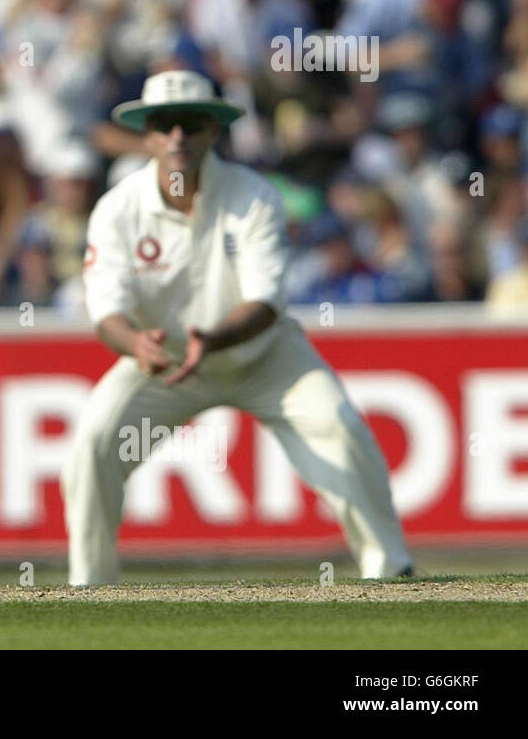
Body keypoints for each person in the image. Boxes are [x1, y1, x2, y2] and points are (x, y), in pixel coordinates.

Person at [62, 69, 412, 584]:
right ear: (148, 135)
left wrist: (212, 338)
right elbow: (105, 309)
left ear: (212, 129)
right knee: (94, 439)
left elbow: (265, 300)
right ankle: (88, 587)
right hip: (164, 363)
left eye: (190, 124)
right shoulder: (117, 210)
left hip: (264, 357)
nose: (177, 137)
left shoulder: (255, 197)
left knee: (340, 424)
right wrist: (135, 342)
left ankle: (391, 572)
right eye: (164, 124)